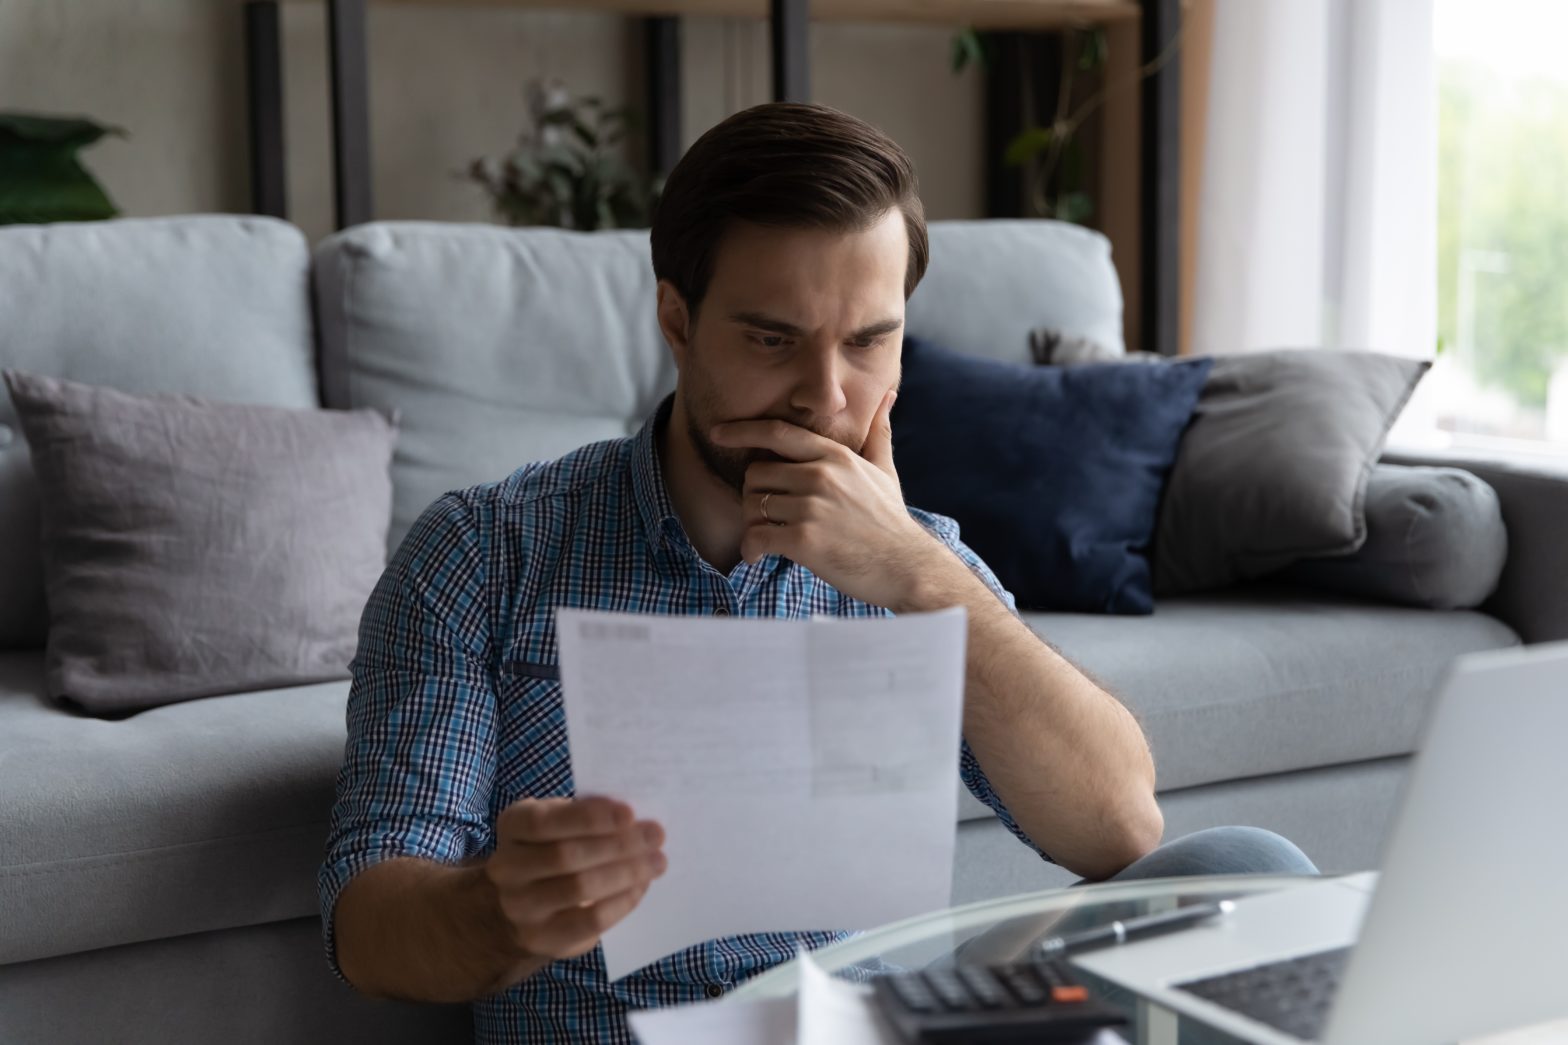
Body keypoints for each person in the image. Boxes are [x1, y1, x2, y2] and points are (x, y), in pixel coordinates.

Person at [319, 102, 1315, 1044]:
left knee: (1248, 870)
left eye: (868, 342)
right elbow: (370, 928)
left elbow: (1117, 827)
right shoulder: (485, 553)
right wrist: (501, 909)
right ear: (675, 320)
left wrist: (919, 578)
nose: (825, 397)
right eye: (771, 339)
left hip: (872, 1022)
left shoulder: (911, 561)